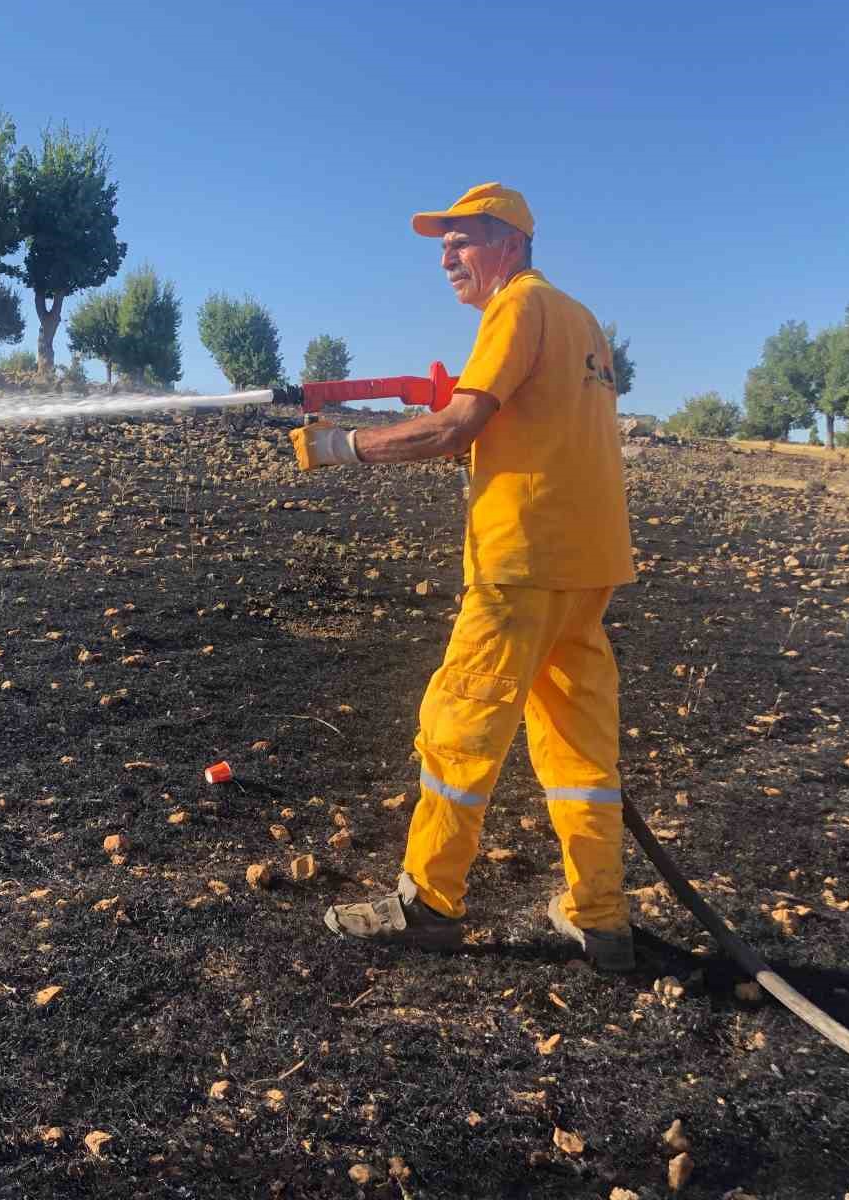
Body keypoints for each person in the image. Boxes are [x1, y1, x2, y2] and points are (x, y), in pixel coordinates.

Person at [287, 182, 637, 970]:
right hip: (589, 570)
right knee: (581, 753)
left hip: (521, 563)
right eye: (442, 243)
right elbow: (534, 416)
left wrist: (342, 446)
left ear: (510, 243)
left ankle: (429, 904)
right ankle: (601, 916)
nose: (447, 253)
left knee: (459, 734)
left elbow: (457, 427)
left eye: (464, 238)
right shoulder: (581, 320)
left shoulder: (516, 308)